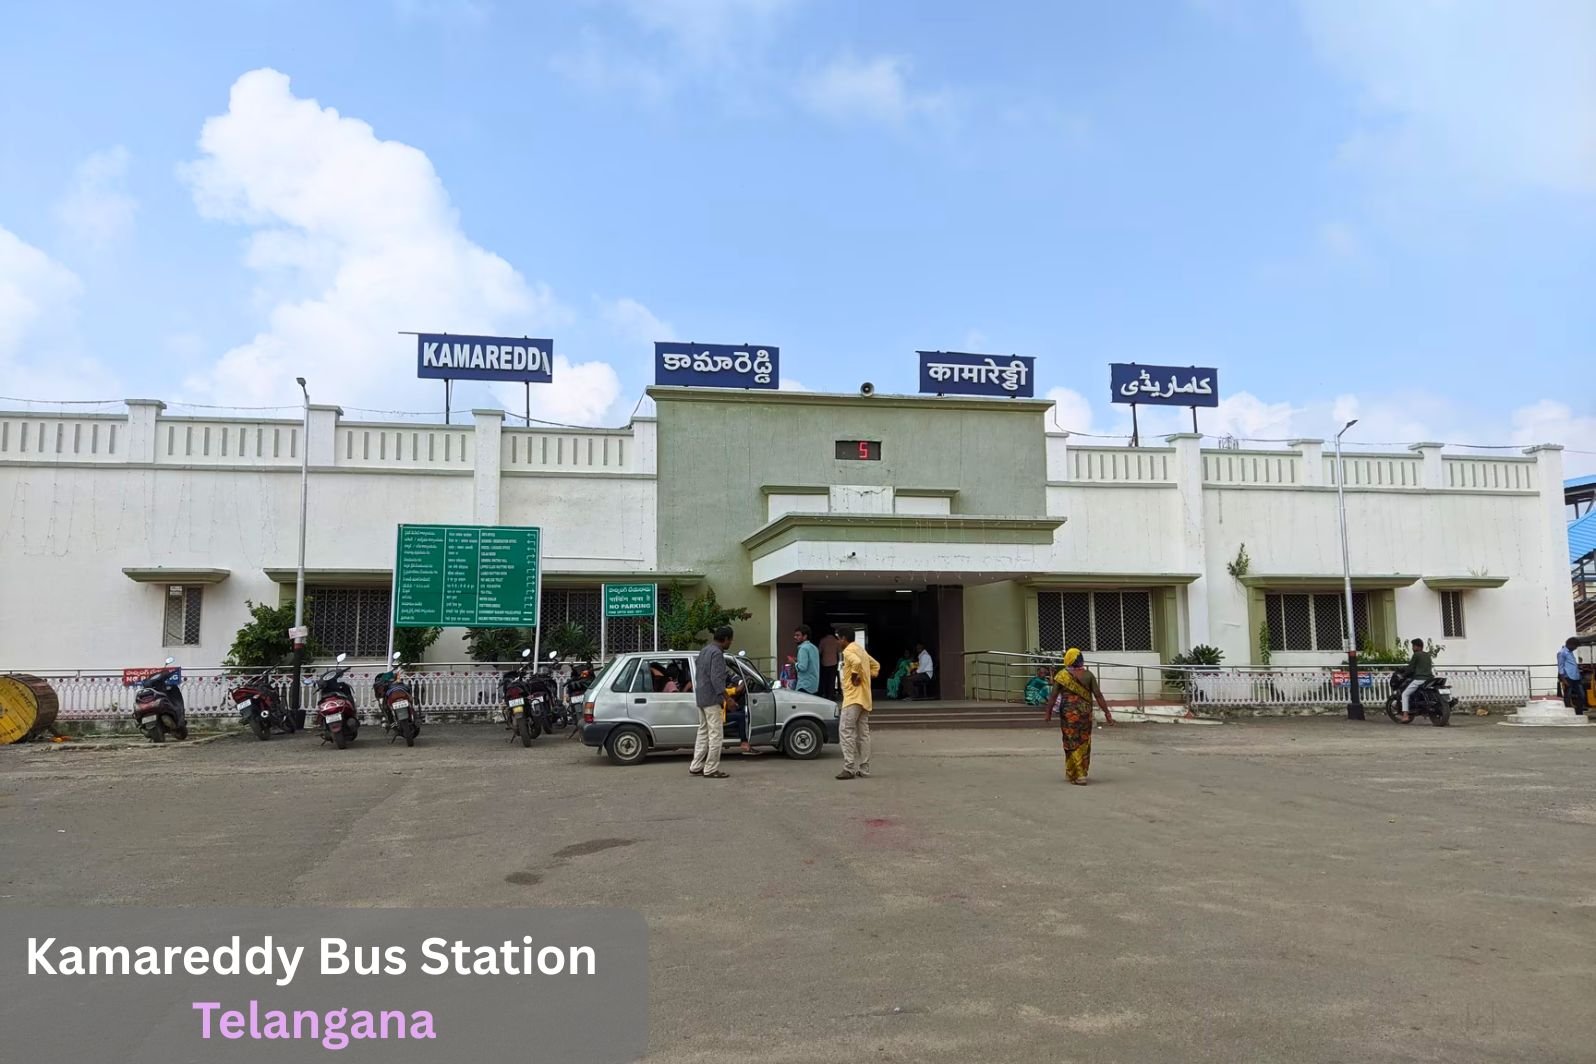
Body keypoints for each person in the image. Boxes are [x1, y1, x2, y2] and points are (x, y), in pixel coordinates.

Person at [1051, 648, 1114, 785]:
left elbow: (1053, 695)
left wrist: (1048, 712)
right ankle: (1075, 772)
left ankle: (1078, 774)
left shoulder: (1061, 675)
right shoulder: (1088, 675)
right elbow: (1098, 695)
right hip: (1085, 714)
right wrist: (1107, 713)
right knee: (1084, 741)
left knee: (1070, 741)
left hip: (1068, 715)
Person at [690, 626, 738, 779]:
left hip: (701, 697)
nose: (730, 643)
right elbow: (716, 679)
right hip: (712, 699)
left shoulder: (705, 651)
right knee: (716, 735)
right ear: (725, 639)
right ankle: (710, 769)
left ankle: (696, 766)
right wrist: (728, 698)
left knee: (703, 732)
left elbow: (700, 673)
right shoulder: (717, 654)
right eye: (730, 640)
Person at [835, 625, 880, 780]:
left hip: (853, 698)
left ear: (843, 639)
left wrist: (855, 676)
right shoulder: (861, 650)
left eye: (838, 639)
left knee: (846, 731)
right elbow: (876, 665)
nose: (837, 642)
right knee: (863, 734)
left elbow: (856, 663)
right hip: (865, 698)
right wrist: (869, 675)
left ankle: (849, 768)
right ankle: (864, 768)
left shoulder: (848, 651)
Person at [1398, 638, 1434, 722]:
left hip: (1420, 679)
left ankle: (1405, 715)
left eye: (1413, 646)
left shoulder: (1416, 655)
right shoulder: (1427, 655)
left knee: (1405, 694)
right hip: (1429, 679)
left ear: (1417, 647)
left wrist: (1403, 675)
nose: (1412, 648)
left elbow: (1410, 668)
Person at [1558, 637, 1586, 714]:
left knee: (1582, 695)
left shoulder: (1570, 652)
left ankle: (1579, 712)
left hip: (1576, 677)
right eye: (1575, 646)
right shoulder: (1562, 653)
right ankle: (1568, 712)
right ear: (1571, 644)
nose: (1576, 648)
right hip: (1568, 677)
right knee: (1568, 695)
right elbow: (1560, 667)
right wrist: (1563, 679)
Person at [793, 625, 821, 696]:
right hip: (814, 685)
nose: (795, 637)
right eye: (795, 635)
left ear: (805, 636)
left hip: (804, 685)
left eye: (798, 635)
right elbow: (811, 662)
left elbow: (802, 667)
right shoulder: (814, 648)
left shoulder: (803, 649)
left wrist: (793, 662)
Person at [818, 628, 842, 702]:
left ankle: (825, 694)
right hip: (833, 663)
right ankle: (830, 696)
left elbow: (819, 652)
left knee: (824, 680)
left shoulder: (822, 640)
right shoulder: (836, 641)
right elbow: (839, 651)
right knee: (832, 680)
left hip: (824, 663)